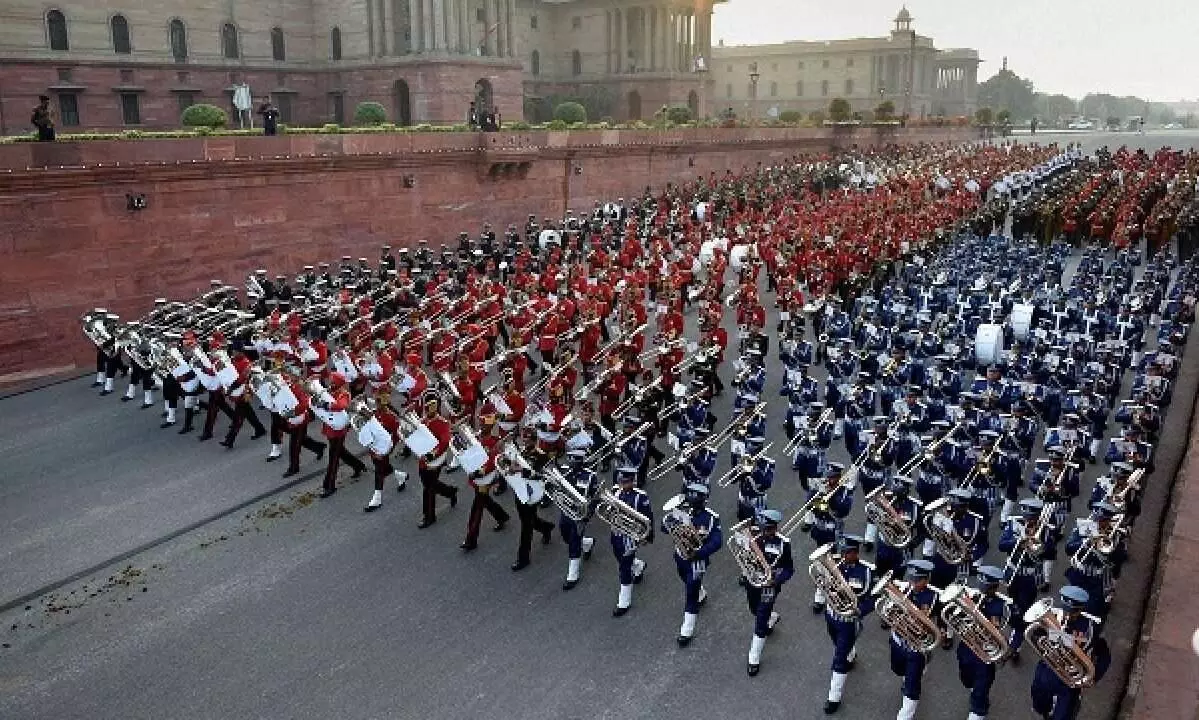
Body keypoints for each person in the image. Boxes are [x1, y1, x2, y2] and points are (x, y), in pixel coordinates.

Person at [661, 483, 723, 647]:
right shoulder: (681, 512)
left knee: (690, 592)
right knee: (683, 577)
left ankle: (686, 630)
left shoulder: (711, 518)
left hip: (697, 561)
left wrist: (700, 553)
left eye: (696, 500)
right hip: (681, 556)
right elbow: (664, 526)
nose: (692, 503)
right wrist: (671, 524)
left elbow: (717, 542)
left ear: (703, 501)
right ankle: (700, 592)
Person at [822, 534, 874, 714]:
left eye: (848, 553)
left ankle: (833, 697)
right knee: (837, 644)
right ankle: (850, 653)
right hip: (831, 617)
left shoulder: (866, 572)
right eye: (842, 552)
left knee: (839, 658)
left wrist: (860, 610)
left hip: (848, 621)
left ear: (855, 553)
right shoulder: (834, 566)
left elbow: (872, 599)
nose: (843, 556)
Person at [956, 565, 1012, 720]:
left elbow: (1018, 626)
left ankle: (978, 709)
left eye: (988, 588)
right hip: (967, 649)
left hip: (986, 654)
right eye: (982, 586)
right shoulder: (970, 597)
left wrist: (1010, 647)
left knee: (979, 695)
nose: (983, 591)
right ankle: (977, 695)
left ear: (995, 587)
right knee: (967, 680)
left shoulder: (1003, 606)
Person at [744, 509, 794, 676]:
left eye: (772, 529)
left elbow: (789, 569)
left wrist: (777, 580)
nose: (770, 532)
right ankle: (772, 617)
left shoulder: (783, 544)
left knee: (761, 619)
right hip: (753, 583)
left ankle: (753, 657)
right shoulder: (754, 540)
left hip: (769, 587)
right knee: (753, 609)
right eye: (767, 529)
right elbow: (745, 560)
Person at [888, 559, 939, 720]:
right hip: (898, 642)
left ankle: (904, 716)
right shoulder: (903, 589)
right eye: (911, 579)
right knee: (897, 669)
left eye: (918, 580)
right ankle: (911, 674)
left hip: (916, 647)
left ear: (926, 580)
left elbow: (928, 618)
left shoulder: (932, 596)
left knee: (911, 687)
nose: (913, 583)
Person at [610, 468, 652, 616]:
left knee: (624, 567)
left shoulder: (641, 496)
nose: (623, 484)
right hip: (616, 533)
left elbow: (648, 517)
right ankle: (639, 565)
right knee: (619, 557)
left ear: (632, 481)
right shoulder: (616, 492)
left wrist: (647, 536)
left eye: (626, 482)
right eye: (621, 481)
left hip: (630, 536)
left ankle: (624, 601)